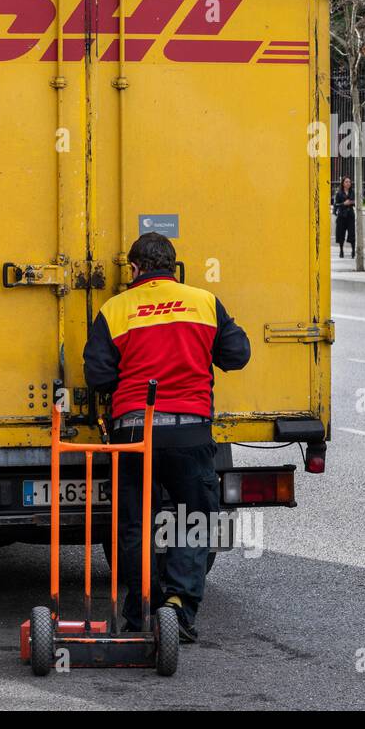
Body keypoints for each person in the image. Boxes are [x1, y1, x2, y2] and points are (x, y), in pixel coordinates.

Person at [83, 233, 251, 643]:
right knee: (196, 519)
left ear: (135, 269)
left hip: (132, 433)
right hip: (189, 434)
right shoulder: (204, 303)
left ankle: (143, 609)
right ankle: (177, 607)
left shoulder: (115, 309)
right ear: (174, 268)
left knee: (133, 525)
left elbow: (98, 376)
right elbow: (237, 355)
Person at [333, 175, 355, 258]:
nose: (348, 183)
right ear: (343, 183)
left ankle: (353, 251)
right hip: (342, 216)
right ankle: (341, 250)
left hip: (350, 216)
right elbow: (335, 204)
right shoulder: (339, 193)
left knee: (352, 233)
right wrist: (343, 204)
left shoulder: (352, 192)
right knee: (341, 234)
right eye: (346, 182)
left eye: (349, 182)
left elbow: (356, 201)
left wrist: (352, 202)